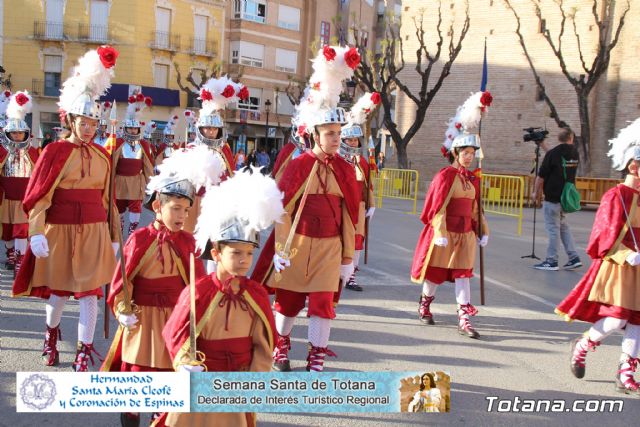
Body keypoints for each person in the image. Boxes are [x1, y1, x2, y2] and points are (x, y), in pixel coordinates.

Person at [252, 44, 361, 372]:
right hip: (297, 244)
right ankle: (281, 346)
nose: (336, 139)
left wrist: (347, 258)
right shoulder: (299, 165)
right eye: (330, 133)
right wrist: (281, 249)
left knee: (322, 303)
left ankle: (316, 353)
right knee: (289, 301)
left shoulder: (344, 168)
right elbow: (283, 211)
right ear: (315, 134)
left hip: (329, 246)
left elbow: (348, 215)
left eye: (339, 133)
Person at [12, 45, 121, 371]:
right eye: (83, 122)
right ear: (71, 121)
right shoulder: (54, 152)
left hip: (93, 232)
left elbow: (107, 199)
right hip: (58, 231)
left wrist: (113, 235)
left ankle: (84, 350)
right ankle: (50, 335)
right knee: (58, 294)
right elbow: (39, 196)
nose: (89, 128)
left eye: (92, 123)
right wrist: (35, 233)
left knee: (89, 295)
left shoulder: (103, 155)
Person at [156, 167, 282, 427]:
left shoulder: (255, 295)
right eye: (236, 253)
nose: (244, 260)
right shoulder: (199, 292)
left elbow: (264, 344)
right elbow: (175, 334)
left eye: (249, 253)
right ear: (216, 254)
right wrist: (184, 362)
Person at [101, 148, 206, 426]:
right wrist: (122, 307)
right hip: (143, 319)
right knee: (139, 374)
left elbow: (198, 287)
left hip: (174, 319)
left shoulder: (188, 243)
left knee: (168, 380)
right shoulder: (139, 239)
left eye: (186, 209)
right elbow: (123, 279)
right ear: (158, 206)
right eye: (176, 208)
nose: (182, 215)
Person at [557, 118, 640, 395]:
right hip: (619, 265)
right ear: (633, 165)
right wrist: (626, 254)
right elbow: (601, 236)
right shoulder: (616, 195)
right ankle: (581, 346)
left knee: (638, 320)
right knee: (616, 318)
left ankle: (626, 371)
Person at [411, 90, 492, 339]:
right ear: (455, 153)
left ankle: (464, 319)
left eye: (472, 153)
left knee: (463, 275)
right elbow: (436, 207)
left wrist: (482, 230)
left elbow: (477, 207)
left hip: (465, 234)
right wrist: (440, 232)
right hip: (444, 233)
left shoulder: (472, 179)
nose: (469, 157)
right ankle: (425, 304)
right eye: (465, 153)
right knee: (435, 273)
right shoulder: (445, 176)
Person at [338, 92, 380, 291]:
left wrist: (371, 205)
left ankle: (351, 274)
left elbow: (367, 185)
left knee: (357, 241)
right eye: (350, 140)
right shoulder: (337, 160)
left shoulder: (362, 161)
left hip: (359, 206)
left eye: (356, 140)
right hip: (342, 207)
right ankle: (339, 271)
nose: (354, 143)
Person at [0, 91, 39, 276]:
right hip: (5, 200)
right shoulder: (1, 151)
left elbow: (40, 174)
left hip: (24, 201)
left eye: (20, 133)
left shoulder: (32, 152)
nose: (17, 136)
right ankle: (11, 254)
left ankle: (20, 263)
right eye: (14, 133)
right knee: (6, 233)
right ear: (8, 133)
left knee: (22, 232)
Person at [532, 128, 582, 271]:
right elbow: (556, 159)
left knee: (553, 230)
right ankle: (574, 257)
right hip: (565, 197)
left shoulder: (553, 154)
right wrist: (543, 145)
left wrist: (535, 192)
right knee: (564, 228)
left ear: (559, 138)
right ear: (571, 138)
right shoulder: (575, 153)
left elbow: (541, 176)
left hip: (553, 197)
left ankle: (551, 260)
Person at [112, 92, 155, 236]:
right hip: (119, 182)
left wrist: (152, 183)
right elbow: (110, 163)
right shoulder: (118, 143)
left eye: (135, 128)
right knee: (119, 209)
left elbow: (148, 165)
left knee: (136, 209)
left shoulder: (143, 144)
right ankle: (120, 229)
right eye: (130, 128)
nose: (133, 131)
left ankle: (131, 233)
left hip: (137, 182)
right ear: (125, 129)